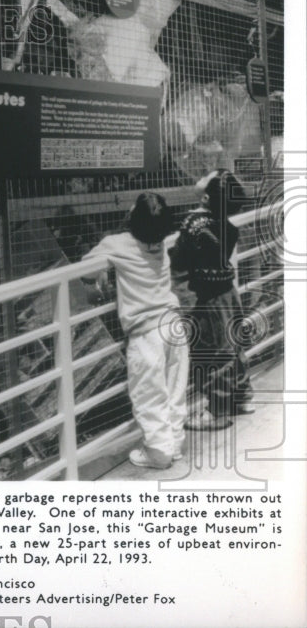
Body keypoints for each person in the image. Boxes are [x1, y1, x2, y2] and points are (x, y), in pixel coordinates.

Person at [82, 193, 189, 469]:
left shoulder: (116, 244)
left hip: (146, 332)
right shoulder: (163, 241)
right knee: (174, 388)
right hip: (173, 323)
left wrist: (106, 268)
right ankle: (174, 443)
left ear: (133, 217)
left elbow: (86, 271)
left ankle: (158, 452)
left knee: (149, 393)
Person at [170, 169, 253, 430]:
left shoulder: (192, 224)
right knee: (234, 347)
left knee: (213, 355)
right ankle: (242, 397)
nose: (201, 175)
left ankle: (216, 412)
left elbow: (180, 260)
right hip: (229, 292)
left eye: (205, 176)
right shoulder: (228, 226)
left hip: (207, 298)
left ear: (205, 197)